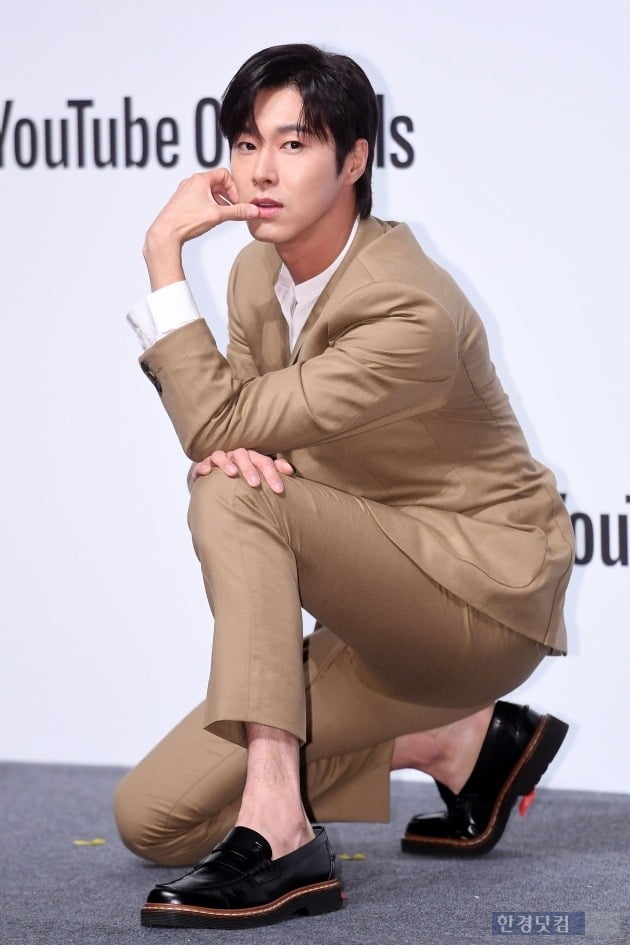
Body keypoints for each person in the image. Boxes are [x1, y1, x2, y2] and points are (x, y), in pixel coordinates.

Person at [115, 43, 574, 930]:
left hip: (480, 599)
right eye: (247, 144)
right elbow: (233, 433)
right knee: (153, 817)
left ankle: (279, 829)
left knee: (231, 494)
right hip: (373, 606)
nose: (261, 171)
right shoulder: (255, 274)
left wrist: (162, 252)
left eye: (294, 144)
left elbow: (219, 429)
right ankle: (462, 742)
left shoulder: (409, 306)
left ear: (355, 159)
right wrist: (233, 445)